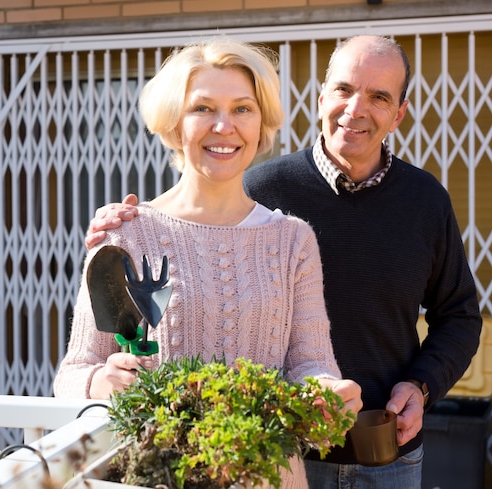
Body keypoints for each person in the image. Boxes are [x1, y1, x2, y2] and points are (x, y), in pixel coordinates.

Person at [84, 35, 483, 489]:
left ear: (399, 113)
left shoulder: (423, 201)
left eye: (379, 97)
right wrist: (127, 228)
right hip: (278, 451)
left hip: (385, 454)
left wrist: (422, 386)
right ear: (320, 98)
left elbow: (459, 317)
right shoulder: (257, 187)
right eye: (344, 89)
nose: (356, 109)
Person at [54, 37, 362, 489]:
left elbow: (310, 365)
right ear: (175, 124)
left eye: (242, 108)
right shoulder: (124, 235)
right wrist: (102, 382)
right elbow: (72, 375)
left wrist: (326, 394)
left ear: (261, 124)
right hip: (157, 477)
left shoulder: (292, 241)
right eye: (203, 108)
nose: (224, 125)